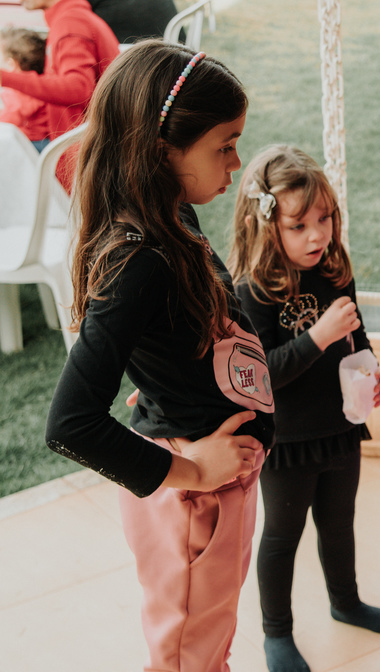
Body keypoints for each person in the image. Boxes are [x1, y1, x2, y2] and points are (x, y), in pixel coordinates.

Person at [44, 41, 274, 672]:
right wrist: (195, 471)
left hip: (219, 487)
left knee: (208, 644)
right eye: (223, 145)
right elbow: (70, 425)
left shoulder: (174, 214)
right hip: (191, 498)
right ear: (160, 148)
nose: (235, 162)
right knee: (184, 660)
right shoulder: (138, 259)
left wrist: (170, 372)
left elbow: (195, 322)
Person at [228, 145, 380, 672]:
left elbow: (357, 331)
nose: (318, 235)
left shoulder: (333, 267)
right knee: (282, 538)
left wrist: (372, 371)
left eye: (324, 219)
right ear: (265, 225)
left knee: (339, 523)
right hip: (285, 442)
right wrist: (318, 337)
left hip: (340, 428)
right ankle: (276, 634)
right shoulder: (254, 291)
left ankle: (345, 602)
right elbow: (261, 375)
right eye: (299, 225)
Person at [2, 0, 119, 142]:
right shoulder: (71, 18)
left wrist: (6, 78)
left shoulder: (71, 23)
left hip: (79, 156)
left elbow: (79, 88)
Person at [0, 27, 49, 147]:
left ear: (11, 64)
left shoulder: (21, 90)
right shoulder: (40, 82)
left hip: (34, 144)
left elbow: (12, 117)